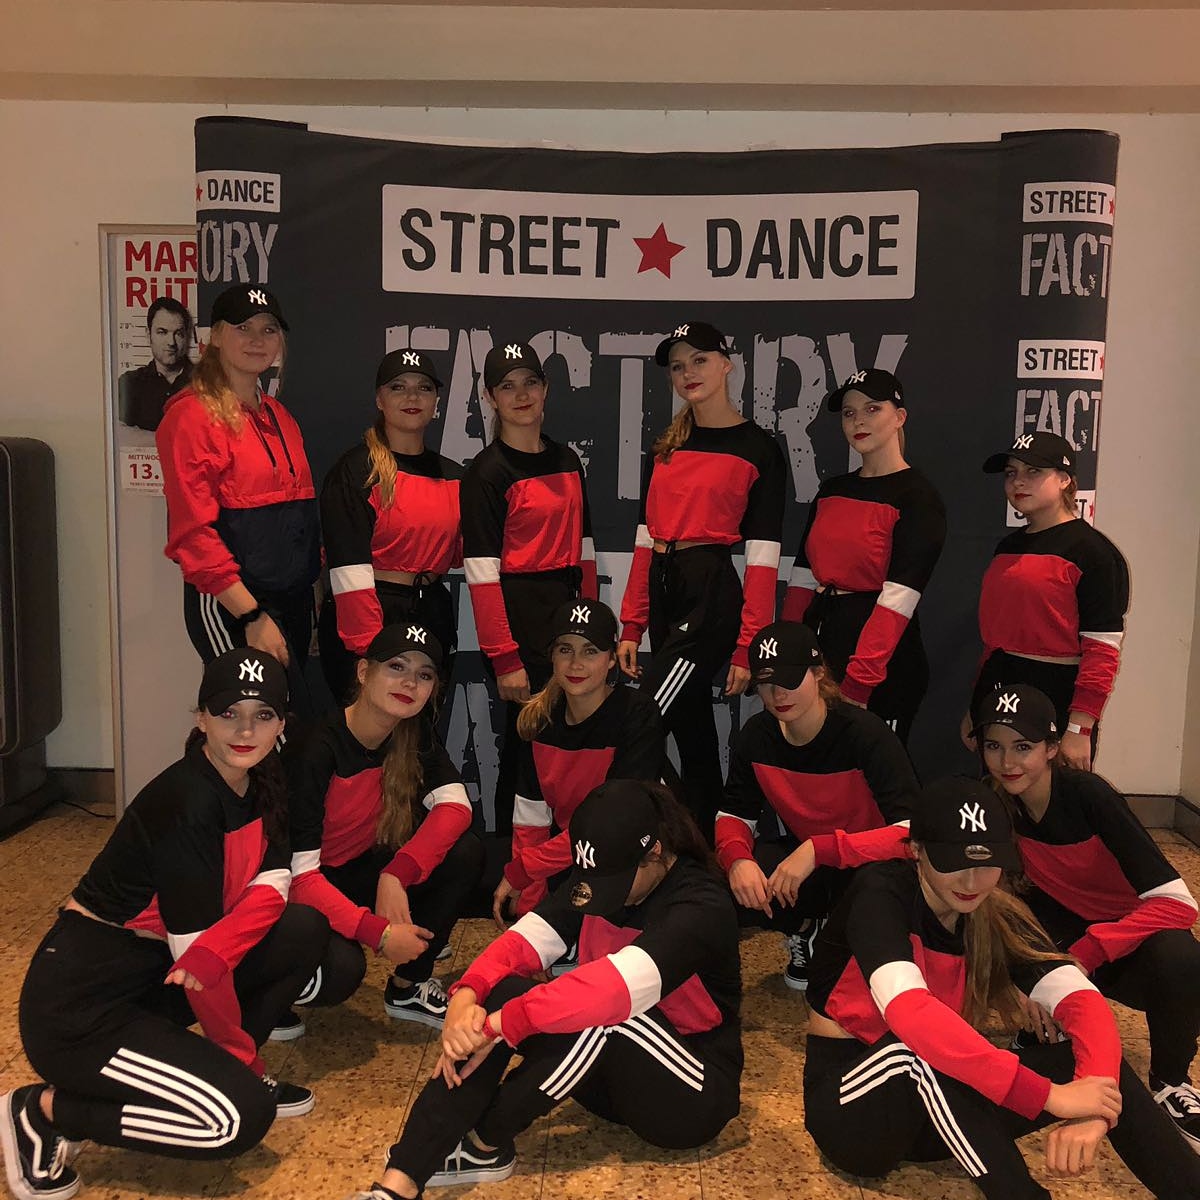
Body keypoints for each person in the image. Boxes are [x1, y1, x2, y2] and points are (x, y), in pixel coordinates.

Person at [1, 649, 326, 1200]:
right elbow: (198, 957)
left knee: (301, 929)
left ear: (281, 724)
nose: (246, 730)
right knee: (238, 1118)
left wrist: (216, 956)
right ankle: (45, 1111)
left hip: (154, 980)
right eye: (228, 713)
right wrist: (241, 1062)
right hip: (82, 1012)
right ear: (201, 718)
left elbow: (275, 881)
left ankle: (219, 1071)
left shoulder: (261, 780)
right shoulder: (187, 798)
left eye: (263, 715)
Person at [803, 776, 1200, 1199]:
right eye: (954, 862)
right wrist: (1050, 1096)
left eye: (987, 863)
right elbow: (911, 1014)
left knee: (1096, 1064)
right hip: (852, 1114)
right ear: (916, 850)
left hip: (938, 1113)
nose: (972, 881)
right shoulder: (879, 894)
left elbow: (1081, 998)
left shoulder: (993, 913)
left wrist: (1095, 1104)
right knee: (920, 1049)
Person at [347, 779, 742, 1200]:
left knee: (598, 1014)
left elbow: (610, 993)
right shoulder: (601, 875)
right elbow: (521, 943)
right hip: (605, 1083)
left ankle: (483, 1142)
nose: (605, 894)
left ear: (656, 852)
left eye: (616, 879)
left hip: (688, 1096)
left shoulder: (702, 905)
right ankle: (399, 1182)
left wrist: (500, 1025)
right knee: (501, 989)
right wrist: (466, 997)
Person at [974, 683, 1200, 1149]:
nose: (1007, 762)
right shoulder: (993, 800)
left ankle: (1171, 1082)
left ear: (1052, 748)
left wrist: (1087, 952)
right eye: (994, 746)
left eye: (1023, 747)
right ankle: (1044, 1028)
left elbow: (1179, 904)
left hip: (1127, 944)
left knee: (1181, 955)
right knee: (994, 910)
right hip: (1067, 937)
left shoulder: (1089, 796)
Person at [618, 321, 786, 832]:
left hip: (709, 591)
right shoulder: (666, 446)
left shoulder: (758, 447)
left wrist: (748, 644)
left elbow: (763, 556)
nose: (687, 373)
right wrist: (632, 624)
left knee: (641, 718)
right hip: (664, 584)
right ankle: (706, 843)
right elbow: (645, 539)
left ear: (727, 364)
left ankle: (661, 831)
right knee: (693, 734)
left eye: (700, 360)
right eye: (677, 366)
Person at [284, 623, 484, 1030]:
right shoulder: (316, 748)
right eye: (396, 667)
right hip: (294, 888)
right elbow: (299, 876)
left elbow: (455, 805)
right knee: (341, 972)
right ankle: (261, 989)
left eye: (424, 675)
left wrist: (396, 874)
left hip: (355, 869)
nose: (410, 683)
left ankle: (409, 987)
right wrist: (379, 934)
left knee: (466, 851)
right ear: (363, 672)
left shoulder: (411, 731)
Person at [717, 621, 917, 991]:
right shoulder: (757, 736)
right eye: (766, 684)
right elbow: (734, 814)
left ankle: (845, 939)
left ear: (818, 673)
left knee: (872, 903)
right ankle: (808, 929)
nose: (778, 694)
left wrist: (819, 848)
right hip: (812, 862)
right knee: (732, 879)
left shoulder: (865, 734)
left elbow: (912, 835)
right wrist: (737, 860)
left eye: (790, 680)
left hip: (871, 863)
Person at [156, 284, 320, 713]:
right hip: (233, 604)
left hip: (292, 601)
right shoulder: (191, 415)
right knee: (245, 725)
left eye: (269, 329)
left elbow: (299, 516)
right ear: (214, 336)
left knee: (285, 725)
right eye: (242, 327)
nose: (256, 339)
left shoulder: (280, 416)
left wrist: (311, 593)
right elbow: (193, 534)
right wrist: (250, 615)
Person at [461, 341, 597, 831]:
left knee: (569, 745)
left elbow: (584, 547)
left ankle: (567, 852)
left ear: (546, 389)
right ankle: (514, 859)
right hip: (519, 619)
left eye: (530, 383)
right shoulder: (486, 473)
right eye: (507, 386)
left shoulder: (567, 460)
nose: (521, 395)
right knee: (527, 750)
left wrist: (593, 627)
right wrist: (505, 657)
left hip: (568, 617)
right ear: (490, 397)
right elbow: (481, 574)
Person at [782, 368, 945, 745]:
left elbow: (899, 598)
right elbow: (803, 575)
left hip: (882, 661)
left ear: (899, 417)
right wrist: (789, 652)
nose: (858, 421)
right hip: (823, 646)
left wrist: (861, 680)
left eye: (872, 409)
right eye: (849, 413)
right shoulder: (833, 489)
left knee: (875, 768)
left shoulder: (918, 496)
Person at [493, 599, 666, 926]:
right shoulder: (538, 721)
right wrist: (528, 908)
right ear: (552, 657)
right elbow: (531, 822)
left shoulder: (637, 713)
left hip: (635, 849)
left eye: (590, 651)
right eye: (565, 650)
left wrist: (526, 870)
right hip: (571, 852)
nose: (575, 663)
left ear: (611, 659)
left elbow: (615, 822)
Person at [968, 431, 1129, 770]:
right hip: (998, 686)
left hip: (1055, 694)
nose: (1018, 482)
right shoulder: (1007, 547)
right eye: (1011, 473)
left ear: (1065, 479)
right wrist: (976, 706)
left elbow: (1102, 648)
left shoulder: (1092, 552)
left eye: (1033, 471)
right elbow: (997, 637)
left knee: (1054, 797)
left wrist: (1080, 727)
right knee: (998, 793)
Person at [319, 348, 463, 707]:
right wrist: (368, 652)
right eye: (398, 387)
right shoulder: (357, 471)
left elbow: (462, 554)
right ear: (379, 399)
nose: (412, 396)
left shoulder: (455, 476)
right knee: (369, 729)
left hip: (432, 613)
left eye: (423, 388)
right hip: (372, 613)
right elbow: (348, 572)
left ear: (436, 401)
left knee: (422, 732)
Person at [118, 296, 194, 432]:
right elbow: (119, 435)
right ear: (148, 335)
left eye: (178, 333)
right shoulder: (129, 384)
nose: (171, 342)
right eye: (162, 332)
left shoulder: (208, 383)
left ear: (187, 336)